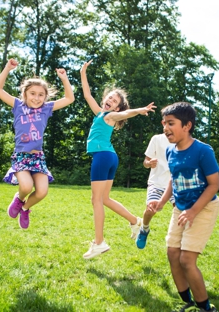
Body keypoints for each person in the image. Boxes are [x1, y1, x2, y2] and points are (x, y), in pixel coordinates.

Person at [80, 60, 156, 259]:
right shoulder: (100, 113)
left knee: (96, 200)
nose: (110, 101)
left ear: (117, 108)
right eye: (109, 98)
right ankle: (134, 221)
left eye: (114, 101)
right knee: (104, 199)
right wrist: (83, 72)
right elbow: (87, 94)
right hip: (110, 157)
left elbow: (125, 113)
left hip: (103, 157)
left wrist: (138, 111)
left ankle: (99, 242)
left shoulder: (110, 117)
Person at [148, 102, 219, 312]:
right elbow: (173, 179)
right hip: (181, 208)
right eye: (164, 124)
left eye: (171, 123)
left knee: (187, 259)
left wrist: (194, 211)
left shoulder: (203, 151)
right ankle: (187, 301)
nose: (165, 128)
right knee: (172, 253)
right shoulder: (170, 151)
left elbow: (214, 184)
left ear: (187, 126)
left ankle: (205, 308)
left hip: (203, 208)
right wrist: (161, 202)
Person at [0, 58, 75, 229]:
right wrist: (7, 68)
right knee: (26, 185)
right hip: (21, 156)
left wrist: (64, 79)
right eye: (32, 93)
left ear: (45, 97)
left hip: (38, 158)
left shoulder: (46, 109)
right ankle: (19, 199)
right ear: (25, 94)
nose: (36, 98)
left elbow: (69, 98)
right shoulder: (17, 105)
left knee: (42, 191)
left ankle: (25, 208)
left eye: (41, 95)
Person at [136, 133, 175, 249]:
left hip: (175, 183)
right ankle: (144, 229)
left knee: (180, 210)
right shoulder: (157, 139)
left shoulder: (183, 141)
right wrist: (149, 163)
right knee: (151, 209)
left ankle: (177, 239)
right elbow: (145, 161)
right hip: (157, 182)